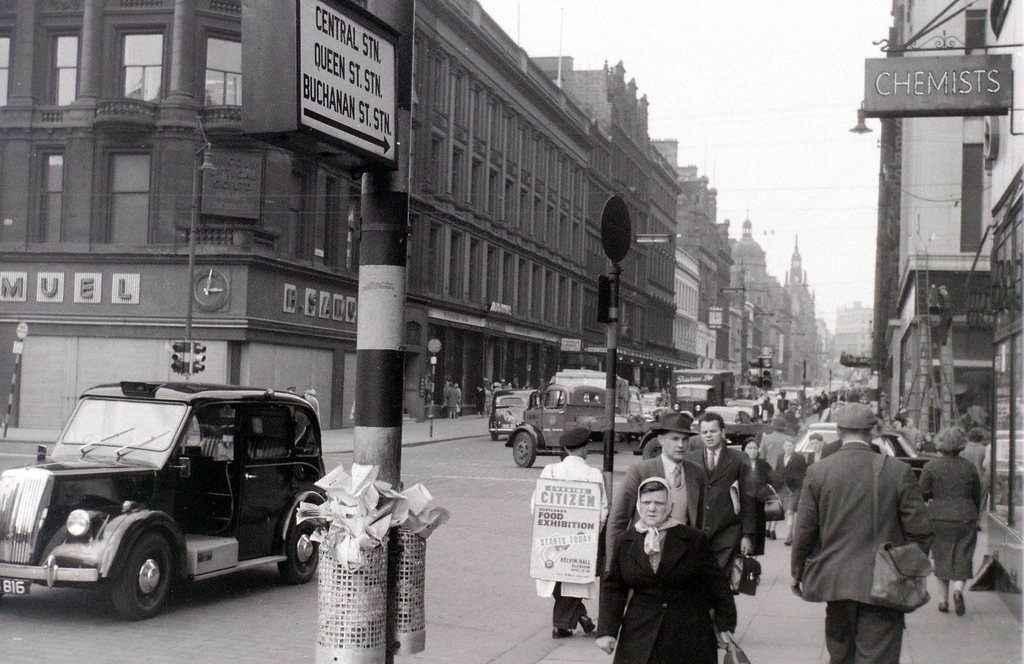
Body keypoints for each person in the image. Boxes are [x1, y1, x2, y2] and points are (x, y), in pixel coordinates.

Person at [791, 403, 933, 664]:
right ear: (872, 431)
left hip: (835, 584)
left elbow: (805, 531)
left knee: (841, 655)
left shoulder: (818, 472)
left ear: (838, 431)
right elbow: (922, 533)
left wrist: (797, 572)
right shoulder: (897, 471)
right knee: (878, 656)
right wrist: (904, 569)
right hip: (883, 586)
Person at [595, 477, 737, 663]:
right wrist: (607, 631)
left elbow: (716, 583)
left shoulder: (693, 539)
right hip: (640, 632)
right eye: (646, 502)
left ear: (670, 506)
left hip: (687, 632)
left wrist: (724, 624)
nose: (651, 508)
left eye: (658, 503)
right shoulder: (626, 541)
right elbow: (614, 587)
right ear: (639, 504)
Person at [532, 427, 607, 638]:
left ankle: (565, 623)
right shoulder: (593, 474)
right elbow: (602, 510)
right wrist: (592, 533)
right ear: (585, 449)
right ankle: (568, 621)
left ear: (565, 448)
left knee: (555, 574)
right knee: (575, 574)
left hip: (551, 536)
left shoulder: (550, 471)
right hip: (583, 539)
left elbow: (535, 506)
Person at [606, 412, 704, 555]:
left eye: (685, 439)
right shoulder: (641, 471)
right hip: (645, 556)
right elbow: (617, 521)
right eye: (675, 439)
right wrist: (612, 568)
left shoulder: (696, 472)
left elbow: (698, 521)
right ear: (661, 440)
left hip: (681, 556)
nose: (680, 445)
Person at [920, 427, 982, 616]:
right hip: (965, 516)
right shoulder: (969, 467)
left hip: (939, 517)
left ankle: (943, 601)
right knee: (963, 554)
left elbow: (922, 491)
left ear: (940, 445)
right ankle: (958, 590)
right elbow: (977, 495)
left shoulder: (931, 466)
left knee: (941, 556)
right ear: (960, 446)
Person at [685, 411, 756, 570]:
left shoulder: (739, 459)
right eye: (704, 432)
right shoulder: (690, 459)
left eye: (713, 431)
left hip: (728, 535)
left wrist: (747, 535)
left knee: (722, 586)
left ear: (723, 433)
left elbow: (748, 498)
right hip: (697, 536)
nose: (708, 436)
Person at [773, 438, 808, 545]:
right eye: (786, 445)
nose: (788, 448)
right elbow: (777, 471)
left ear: (794, 447)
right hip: (782, 487)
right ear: (783, 447)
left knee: (790, 511)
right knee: (779, 509)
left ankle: (789, 536)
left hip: (794, 488)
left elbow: (803, 473)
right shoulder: (780, 457)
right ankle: (771, 530)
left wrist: (797, 483)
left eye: (790, 446)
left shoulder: (799, 458)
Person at [743, 439, 774, 552]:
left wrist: (764, 490)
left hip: (759, 502)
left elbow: (771, 481)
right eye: (749, 448)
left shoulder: (764, 465)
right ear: (744, 449)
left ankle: (755, 556)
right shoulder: (739, 464)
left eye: (755, 448)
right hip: (744, 503)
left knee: (759, 530)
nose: (752, 451)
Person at [961, 426, 990, 522]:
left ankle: (967, 518)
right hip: (980, 476)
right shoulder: (984, 449)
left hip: (965, 476)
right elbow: (985, 465)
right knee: (981, 500)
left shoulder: (963, 448)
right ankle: (978, 520)